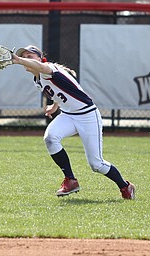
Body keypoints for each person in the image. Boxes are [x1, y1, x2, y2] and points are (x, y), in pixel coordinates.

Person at [12, 45, 135, 199]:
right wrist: (54, 106)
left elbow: (41, 67)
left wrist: (17, 60)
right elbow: (61, 90)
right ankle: (70, 180)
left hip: (88, 116)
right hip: (68, 115)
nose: (25, 59)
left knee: (96, 164)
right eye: (23, 56)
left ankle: (125, 186)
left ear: (39, 58)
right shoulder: (37, 79)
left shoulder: (47, 68)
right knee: (50, 138)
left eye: (29, 56)